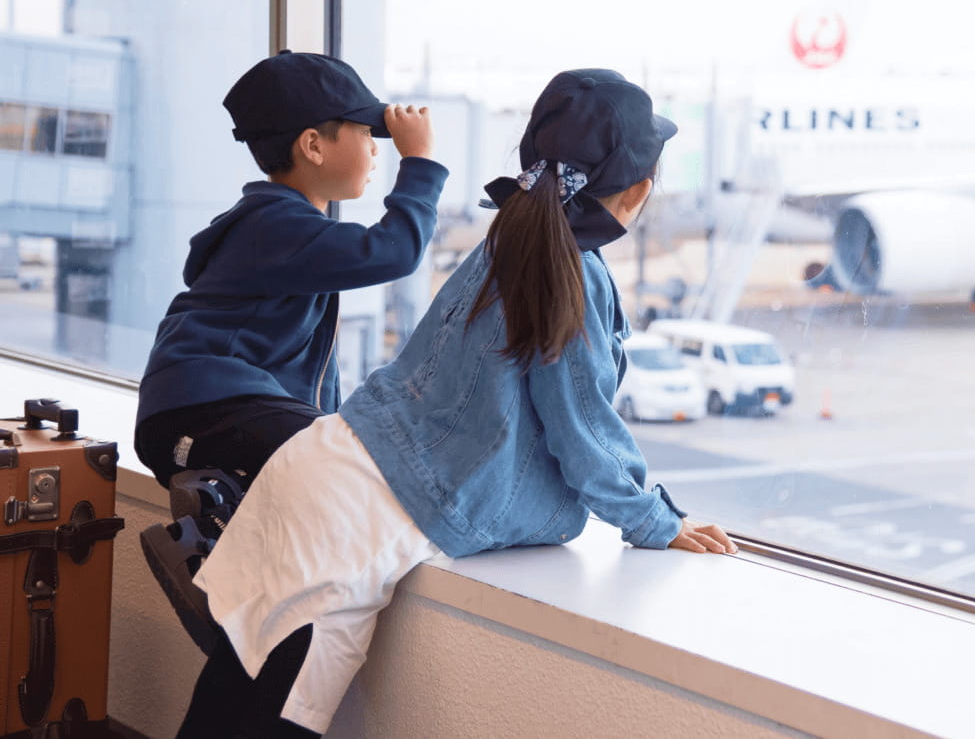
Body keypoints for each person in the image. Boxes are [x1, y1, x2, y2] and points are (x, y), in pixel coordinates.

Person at [175, 69, 736, 739]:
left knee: (222, 712)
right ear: (639, 190)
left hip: (318, 471)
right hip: (347, 527)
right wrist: (653, 520)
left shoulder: (508, 241)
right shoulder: (569, 269)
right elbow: (584, 429)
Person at [136, 50, 448, 653]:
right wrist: (421, 163)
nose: (376, 149)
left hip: (205, 413)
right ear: (313, 145)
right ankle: (203, 554)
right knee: (355, 465)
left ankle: (220, 532)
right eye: (366, 134)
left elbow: (311, 389)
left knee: (336, 460)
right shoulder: (274, 226)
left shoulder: (287, 231)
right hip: (207, 407)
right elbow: (394, 251)